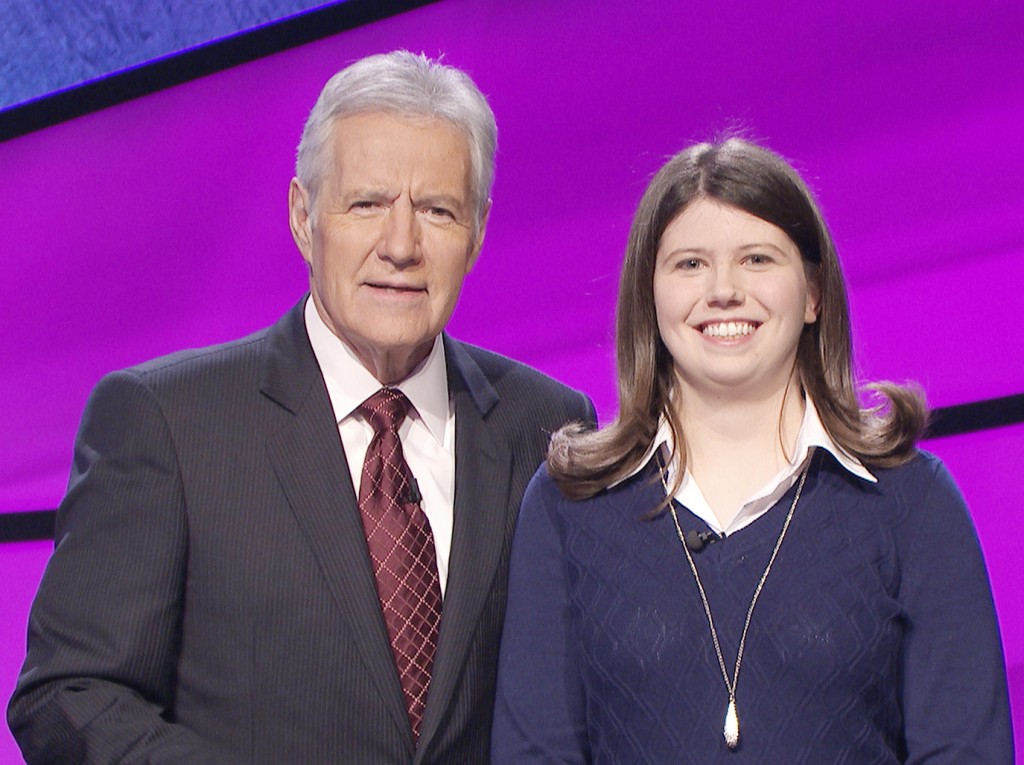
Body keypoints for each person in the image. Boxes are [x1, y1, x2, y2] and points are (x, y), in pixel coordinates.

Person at [8, 51, 594, 764]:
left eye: (437, 210)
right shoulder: (165, 420)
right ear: (302, 216)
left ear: (477, 232)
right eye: (367, 204)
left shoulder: (548, 424)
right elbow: (71, 692)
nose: (401, 245)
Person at [491, 138, 1013, 763]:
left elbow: (965, 751)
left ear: (813, 294)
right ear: (650, 300)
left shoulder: (912, 500)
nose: (723, 291)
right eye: (689, 265)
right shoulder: (567, 506)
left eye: (757, 259)